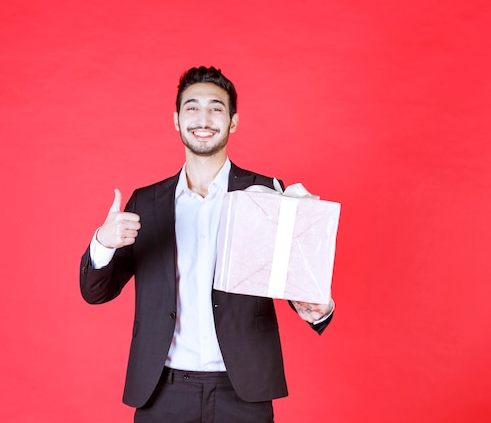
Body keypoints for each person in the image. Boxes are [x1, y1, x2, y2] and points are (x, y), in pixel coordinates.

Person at [79, 66, 335, 423]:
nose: (204, 118)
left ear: (233, 121)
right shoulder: (145, 203)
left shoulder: (264, 193)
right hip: (161, 391)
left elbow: (298, 282)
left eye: (216, 108)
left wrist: (319, 306)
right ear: (176, 120)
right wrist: (103, 242)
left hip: (242, 392)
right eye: (192, 108)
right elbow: (96, 292)